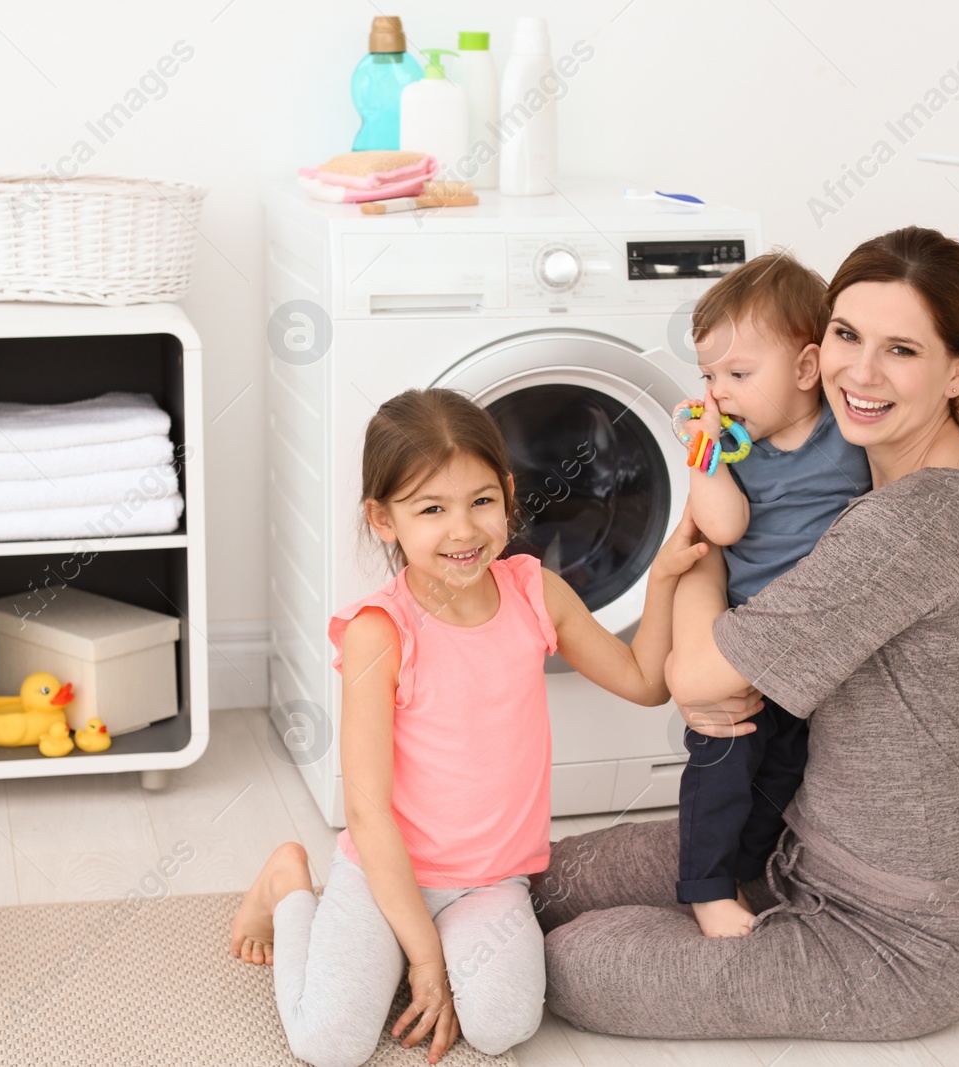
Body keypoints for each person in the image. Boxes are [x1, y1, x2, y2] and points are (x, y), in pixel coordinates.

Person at [530, 226, 959, 1041]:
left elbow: (704, 682)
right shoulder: (888, 465)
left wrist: (703, 551)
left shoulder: (911, 524)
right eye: (847, 336)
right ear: (816, 345)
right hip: (783, 843)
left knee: (572, 956)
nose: (861, 371)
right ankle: (346, 902)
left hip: (894, 935)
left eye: (902, 351)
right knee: (537, 880)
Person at [230, 388, 706, 1067]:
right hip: (384, 870)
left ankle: (406, 950)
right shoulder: (379, 631)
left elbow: (643, 679)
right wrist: (424, 956)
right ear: (383, 518)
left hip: (489, 879)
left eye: (481, 501)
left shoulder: (535, 593)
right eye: (431, 508)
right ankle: (289, 889)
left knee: (503, 1022)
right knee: (329, 1043)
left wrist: (660, 581)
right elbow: (366, 811)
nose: (463, 530)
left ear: (509, 494)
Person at [672, 250, 959, 938]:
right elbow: (720, 527)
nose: (717, 391)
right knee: (722, 766)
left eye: (736, 373)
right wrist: (701, 452)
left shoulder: (850, 432)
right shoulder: (740, 449)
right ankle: (707, 886)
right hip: (755, 644)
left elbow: (956, 412)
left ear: (805, 369)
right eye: (707, 375)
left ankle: (744, 870)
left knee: (782, 772)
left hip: (808, 658)